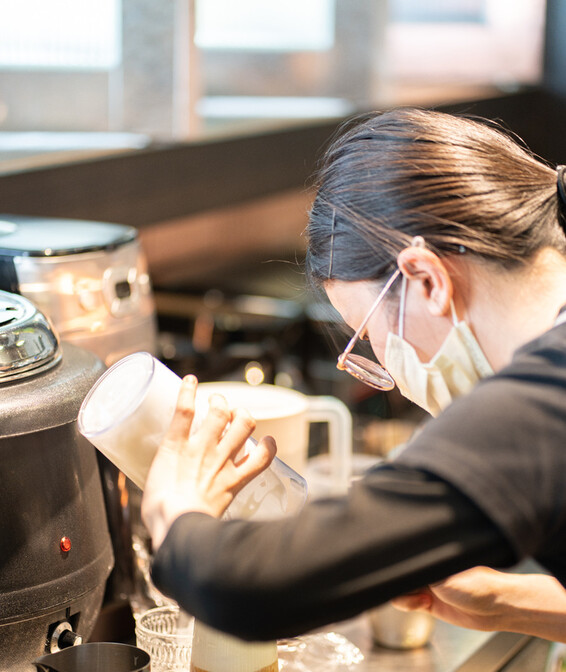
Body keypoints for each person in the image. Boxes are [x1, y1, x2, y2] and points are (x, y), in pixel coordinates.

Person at [141, 106, 566, 643]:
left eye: (368, 334)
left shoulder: (541, 402)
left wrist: (175, 510)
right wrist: (511, 606)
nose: (384, 367)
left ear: (427, 279)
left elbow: (245, 588)